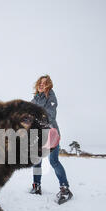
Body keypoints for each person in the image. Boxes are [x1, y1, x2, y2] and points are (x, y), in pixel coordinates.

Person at [29, 75, 73, 204]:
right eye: (40, 83)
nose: (41, 85)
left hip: (51, 134)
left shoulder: (51, 97)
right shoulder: (34, 99)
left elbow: (50, 115)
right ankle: (36, 186)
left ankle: (65, 189)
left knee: (53, 161)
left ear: (48, 85)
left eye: (44, 83)